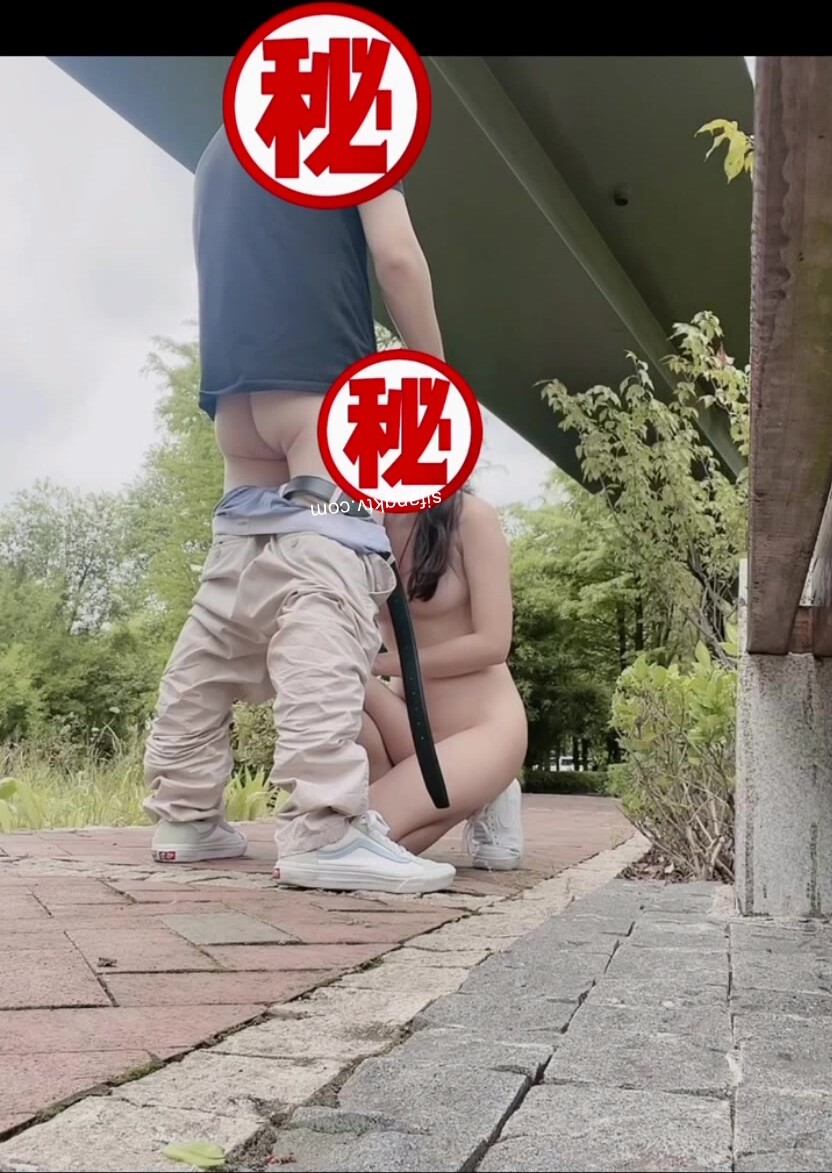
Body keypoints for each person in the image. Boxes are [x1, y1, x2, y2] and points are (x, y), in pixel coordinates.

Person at [143, 125, 457, 894]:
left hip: (236, 404)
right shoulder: (354, 120)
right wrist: (434, 372)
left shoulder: (218, 149)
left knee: (228, 599)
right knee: (328, 585)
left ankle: (185, 812)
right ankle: (327, 827)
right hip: (317, 392)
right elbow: (396, 257)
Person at [357, 488, 528, 868]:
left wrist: (380, 664)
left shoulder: (471, 517)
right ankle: (478, 794)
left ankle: (486, 781)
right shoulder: (359, 517)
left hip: (482, 729)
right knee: (348, 841)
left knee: (360, 838)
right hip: (404, 726)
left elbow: (493, 643)